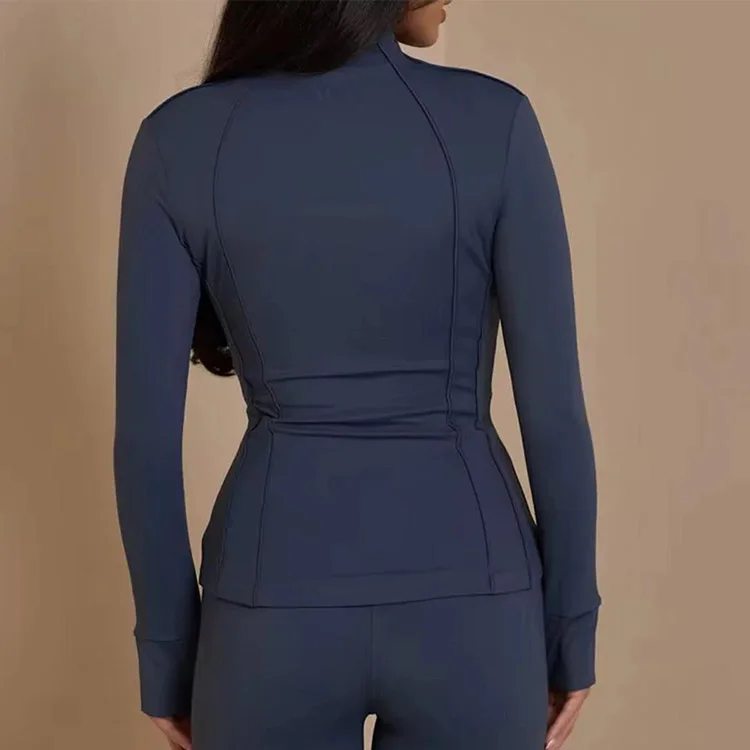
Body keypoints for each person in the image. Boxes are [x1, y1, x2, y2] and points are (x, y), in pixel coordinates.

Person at [113, 1, 602, 748]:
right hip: (476, 603)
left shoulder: (177, 140)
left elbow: (145, 445)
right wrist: (570, 631)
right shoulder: (495, 123)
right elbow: (555, 416)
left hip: (269, 606)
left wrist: (168, 656)